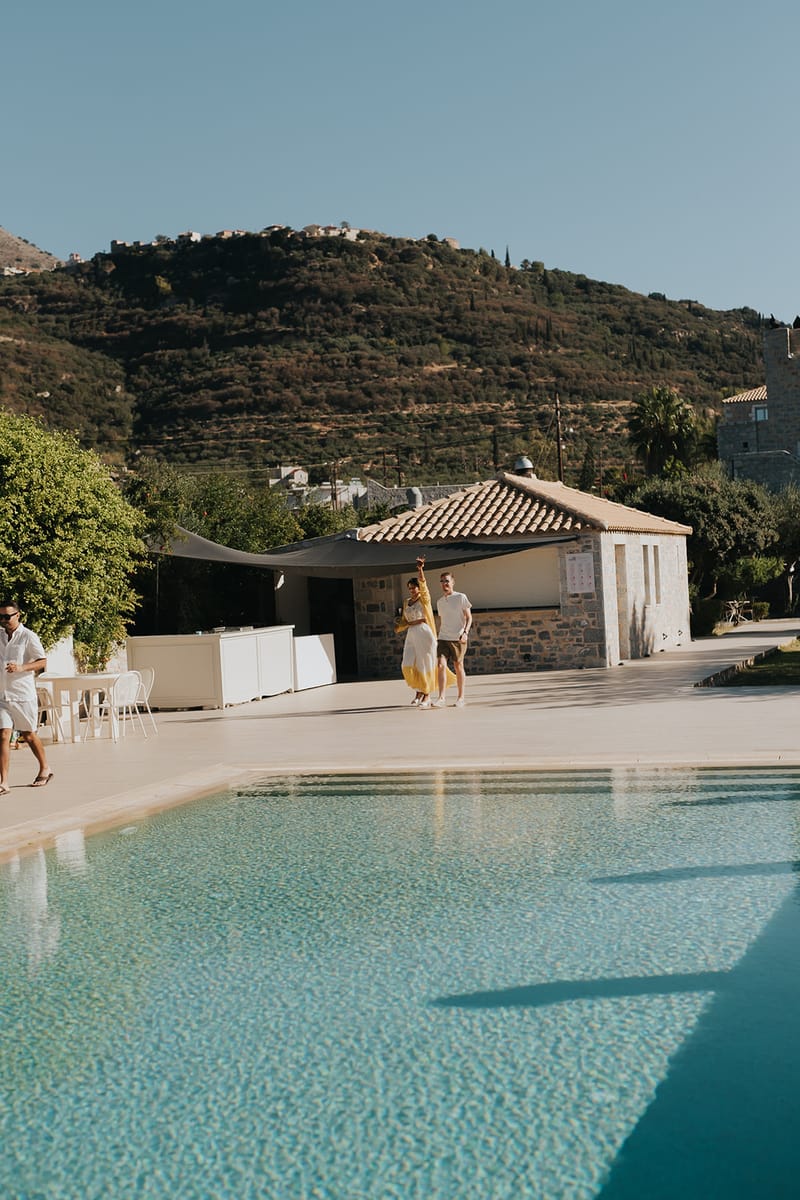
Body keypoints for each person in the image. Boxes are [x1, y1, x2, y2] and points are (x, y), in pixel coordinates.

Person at [0, 601, 52, 793]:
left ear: (18, 615)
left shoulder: (28, 636)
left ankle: (45, 767)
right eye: (1, 617)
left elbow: (42, 661)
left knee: (28, 735)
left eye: (7, 617)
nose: (4, 621)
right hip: (2, 696)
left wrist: (21, 667)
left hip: (22, 695)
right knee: (3, 734)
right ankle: (4, 782)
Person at [396, 556, 441, 708]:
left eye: (413, 587)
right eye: (409, 588)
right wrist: (398, 625)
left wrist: (420, 569)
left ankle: (426, 694)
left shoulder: (424, 599)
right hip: (412, 634)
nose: (412, 590)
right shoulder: (406, 601)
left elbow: (424, 584)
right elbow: (404, 620)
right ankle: (418, 692)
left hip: (424, 633)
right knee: (408, 663)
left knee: (425, 663)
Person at [433, 570, 472, 708]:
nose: (444, 583)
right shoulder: (439, 602)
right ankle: (441, 698)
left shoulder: (461, 597)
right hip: (443, 638)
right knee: (440, 665)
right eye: (442, 581)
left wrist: (465, 632)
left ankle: (461, 698)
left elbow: (469, 617)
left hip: (458, 638)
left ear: (453, 582)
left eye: (447, 581)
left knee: (458, 666)